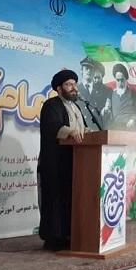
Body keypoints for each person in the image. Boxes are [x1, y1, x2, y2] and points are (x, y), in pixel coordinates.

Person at [38, 69, 87, 251]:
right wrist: (70, 131)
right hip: (55, 163)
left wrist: (88, 133)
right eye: (69, 84)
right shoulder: (51, 105)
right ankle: (54, 238)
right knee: (55, 199)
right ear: (59, 88)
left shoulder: (76, 107)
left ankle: (69, 235)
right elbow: (53, 126)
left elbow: (82, 130)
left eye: (74, 84)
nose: (73, 88)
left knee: (69, 199)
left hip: (74, 162)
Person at [108, 63, 136, 135]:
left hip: (130, 131)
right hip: (115, 132)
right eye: (118, 80)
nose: (120, 83)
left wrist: (132, 119)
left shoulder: (134, 94)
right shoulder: (112, 95)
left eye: (122, 80)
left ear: (126, 79)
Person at [77, 57, 110, 130]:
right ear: (81, 71)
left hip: (98, 130)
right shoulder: (76, 90)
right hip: (82, 130)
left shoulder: (102, 91)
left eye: (91, 69)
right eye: (86, 68)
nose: (89, 71)